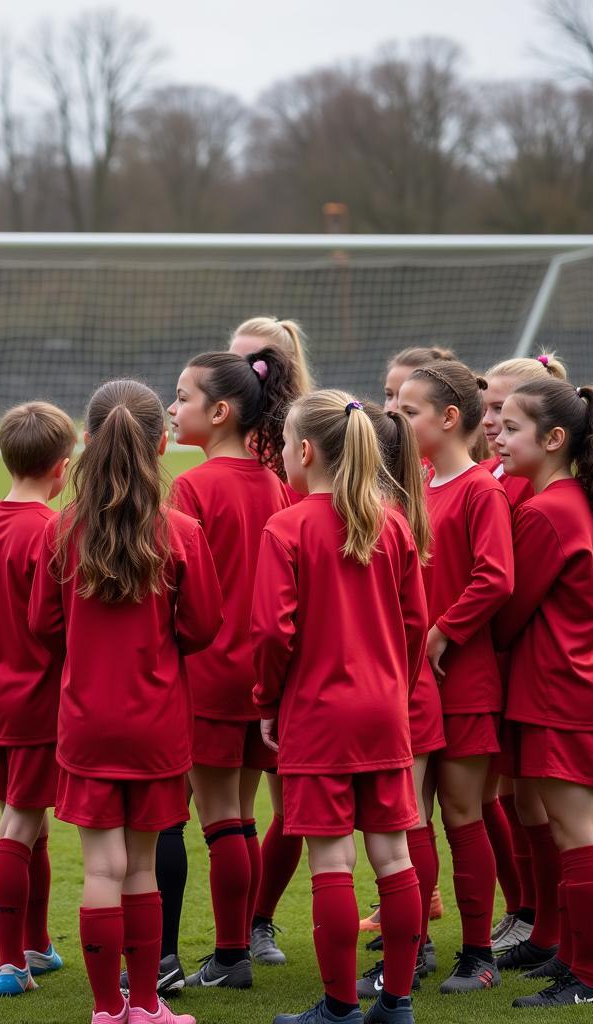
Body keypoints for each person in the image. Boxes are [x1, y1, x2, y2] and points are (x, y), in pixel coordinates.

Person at [29, 379, 223, 1024]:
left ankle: (107, 1009)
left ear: (86, 440)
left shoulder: (63, 530)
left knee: (101, 870)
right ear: (161, 442)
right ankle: (145, 1006)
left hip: (85, 724)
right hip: (157, 726)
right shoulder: (183, 532)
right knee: (141, 869)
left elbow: (43, 626)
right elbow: (201, 629)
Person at [253, 391, 428, 1024]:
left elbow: (273, 633)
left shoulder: (287, 526)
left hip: (320, 715)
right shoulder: (394, 522)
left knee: (332, 860)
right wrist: (395, 686)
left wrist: (266, 701)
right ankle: (399, 1003)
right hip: (383, 711)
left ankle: (339, 1007)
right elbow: (415, 623)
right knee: (394, 856)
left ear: (302, 452)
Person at [493, 379, 593, 1009]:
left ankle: (590, 980)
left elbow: (508, 609)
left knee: (576, 830)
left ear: (553, 440)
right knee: (573, 825)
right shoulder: (568, 498)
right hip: (578, 685)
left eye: (512, 426)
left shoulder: (547, 510)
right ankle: (575, 961)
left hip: (564, 690)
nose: (497, 433)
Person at [165, 348, 299, 991]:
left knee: (220, 821)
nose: (172, 406)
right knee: (242, 816)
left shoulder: (190, 487)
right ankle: (239, 945)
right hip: (260, 676)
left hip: (209, 672)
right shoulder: (274, 482)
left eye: (183, 396)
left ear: (219, 412)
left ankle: (229, 956)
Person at [396, 361, 515, 995]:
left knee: (463, 813)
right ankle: (410, 950)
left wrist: (442, 632)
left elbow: (495, 577)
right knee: (410, 816)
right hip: (413, 683)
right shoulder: (415, 482)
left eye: (409, 411)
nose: (399, 420)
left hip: (464, 679)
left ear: (448, 419)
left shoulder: (479, 490)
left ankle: (478, 955)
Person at [0, 402, 76, 996]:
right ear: (62, 469)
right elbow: (55, 626)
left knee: (30, 829)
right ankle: (11, 963)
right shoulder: (52, 532)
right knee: (20, 825)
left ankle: (37, 943)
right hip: (38, 704)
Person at [227, 317, 314, 966]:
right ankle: (237, 930)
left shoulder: (304, 445)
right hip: (227, 646)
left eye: (244, 361)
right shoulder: (225, 449)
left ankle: (258, 922)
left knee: (289, 797)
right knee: (229, 800)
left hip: (288, 645)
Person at [478, 353, 568, 963]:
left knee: (529, 798)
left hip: (523, 661)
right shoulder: (499, 472)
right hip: (506, 658)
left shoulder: (533, 491)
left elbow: (507, 584)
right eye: (487, 409)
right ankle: (528, 913)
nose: (492, 423)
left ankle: (545, 923)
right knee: (507, 793)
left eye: (502, 413)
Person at [354, 402, 441, 1000]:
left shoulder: (378, 518)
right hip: (402, 689)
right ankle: (408, 946)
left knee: (402, 832)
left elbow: (413, 622)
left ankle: (413, 955)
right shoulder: (401, 512)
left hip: (394, 693)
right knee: (405, 829)